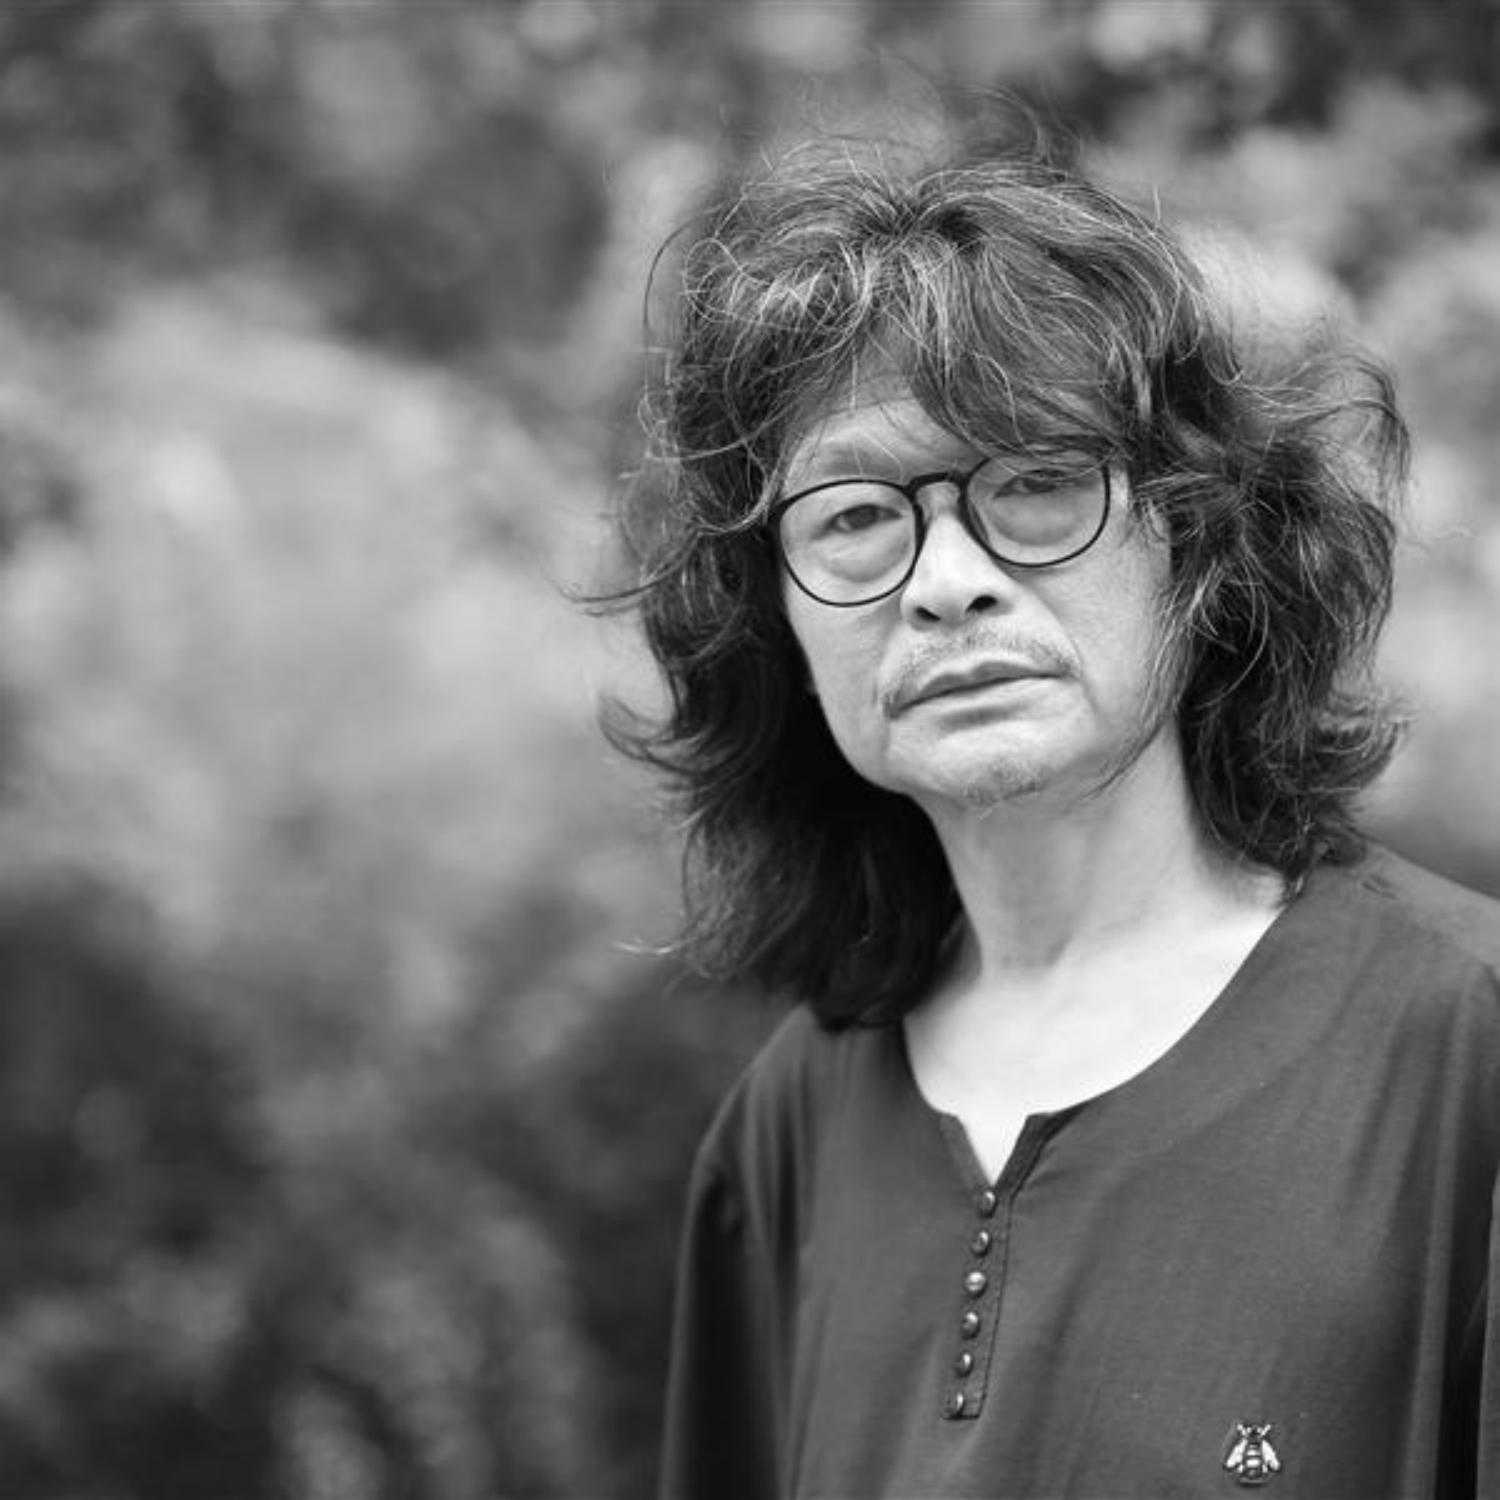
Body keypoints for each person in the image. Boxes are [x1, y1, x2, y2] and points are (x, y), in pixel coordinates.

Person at [612, 134, 1500, 1499]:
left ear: (1199, 543)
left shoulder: (1459, 1051)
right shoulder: (787, 1128)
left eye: (1035, 482)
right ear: (773, 617)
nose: (945, 581)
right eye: (854, 516)